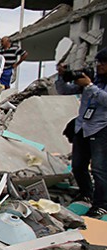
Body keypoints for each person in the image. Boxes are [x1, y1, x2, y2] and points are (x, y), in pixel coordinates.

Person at [55, 49, 107, 219]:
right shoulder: (93, 80)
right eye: (98, 62)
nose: (99, 66)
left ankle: (101, 205)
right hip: (83, 127)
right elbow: (64, 90)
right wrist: (62, 76)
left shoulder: (92, 84)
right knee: (78, 165)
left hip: (101, 129)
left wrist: (90, 86)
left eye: (103, 63)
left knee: (99, 169)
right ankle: (86, 194)